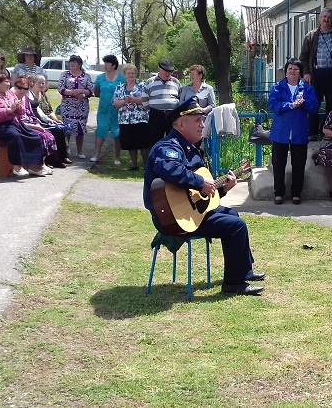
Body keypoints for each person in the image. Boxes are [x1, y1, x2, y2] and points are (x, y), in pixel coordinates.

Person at [143, 98, 266, 296]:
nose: (203, 125)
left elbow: (198, 198)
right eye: (198, 121)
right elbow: (170, 170)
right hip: (172, 219)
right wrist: (200, 182)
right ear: (181, 123)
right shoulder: (168, 147)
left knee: (233, 215)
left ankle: (244, 270)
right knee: (236, 226)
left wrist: (223, 189)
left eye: (203, 120)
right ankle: (233, 284)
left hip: (189, 214)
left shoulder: (192, 149)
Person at [268, 58, 320, 205]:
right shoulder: (277, 87)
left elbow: (314, 108)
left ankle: (296, 193)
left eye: (296, 69)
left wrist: (303, 103)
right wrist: (291, 105)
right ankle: (279, 193)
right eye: (290, 69)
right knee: (278, 164)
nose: (292, 71)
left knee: (299, 164)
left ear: (300, 73)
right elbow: (274, 106)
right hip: (280, 133)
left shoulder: (307, 89)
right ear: (285, 71)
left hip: (299, 132)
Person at [298, 7, 332, 139]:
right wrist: (306, 73)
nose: (326, 20)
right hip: (315, 75)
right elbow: (303, 57)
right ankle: (312, 132)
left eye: (329, 17)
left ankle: (326, 131)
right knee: (313, 104)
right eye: (324, 17)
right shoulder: (311, 36)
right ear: (320, 18)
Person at [0, 74, 48, 177]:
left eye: (8, 81)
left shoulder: (9, 94)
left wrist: (18, 107)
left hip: (12, 123)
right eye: (5, 82)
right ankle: (17, 166)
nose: (8, 84)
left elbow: (21, 111)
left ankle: (34, 166)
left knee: (35, 136)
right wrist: (10, 110)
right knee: (15, 136)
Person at [13, 76, 57, 172]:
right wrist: (33, 126)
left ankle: (42, 164)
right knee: (39, 136)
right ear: (15, 87)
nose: (22, 90)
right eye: (19, 88)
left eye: (25, 88)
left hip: (30, 122)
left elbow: (32, 114)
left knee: (48, 135)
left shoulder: (26, 99)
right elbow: (17, 119)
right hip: (21, 125)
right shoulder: (12, 98)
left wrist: (38, 123)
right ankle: (33, 166)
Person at [113, 63, 149, 170]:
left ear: (136, 74)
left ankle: (146, 165)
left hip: (140, 119)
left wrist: (133, 99)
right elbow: (115, 103)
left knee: (143, 144)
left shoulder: (142, 86)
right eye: (128, 73)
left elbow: (145, 101)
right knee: (130, 144)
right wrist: (124, 101)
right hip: (125, 120)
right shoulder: (119, 87)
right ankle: (134, 165)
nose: (130, 75)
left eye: (132, 73)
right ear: (124, 75)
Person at [91, 55, 126, 164]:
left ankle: (116, 158)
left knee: (117, 133)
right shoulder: (100, 77)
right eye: (104, 63)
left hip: (117, 110)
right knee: (101, 130)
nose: (105, 65)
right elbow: (96, 91)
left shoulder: (121, 78)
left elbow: (126, 90)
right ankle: (96, 155)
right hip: (104, 109)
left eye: (107, 63)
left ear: (114, 65)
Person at [58, 55, 94, 159]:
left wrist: (82, 92)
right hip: (68, 106)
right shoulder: (64, 75)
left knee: (80, 129)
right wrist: (73, 92)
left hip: (82, 106)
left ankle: (79, 152)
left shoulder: (86, 76)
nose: (72, 64)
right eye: (71, 62)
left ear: (79, 64)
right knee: (67, 128)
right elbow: (61, 88)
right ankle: (65, 151)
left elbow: (90, 90)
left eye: (74, 62)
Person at [30, 74, 71, 166]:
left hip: (47, 119)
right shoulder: (31, 96)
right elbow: (35, 113)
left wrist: (55, 120)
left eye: (43, 83)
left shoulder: (43, 94)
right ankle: (53, 159)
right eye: (39, 83)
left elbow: (50, 110)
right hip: (40, 121)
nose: (41, 85)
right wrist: (48, 121)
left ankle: (63, 156)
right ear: (34, 83)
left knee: (63, 129)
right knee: (56, 131)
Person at [142, 59, 182, 148]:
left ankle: (171, 160)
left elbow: (180, 97)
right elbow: (144, 99)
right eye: (166, 71)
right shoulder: (150, 82)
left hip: (172, 115)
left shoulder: (176, 82)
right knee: (154, 141)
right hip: (156, 115)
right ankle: (155, 160)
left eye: (170, 71)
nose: (168, 74)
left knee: (173, 140)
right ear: (159, 69)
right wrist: (152, 110)